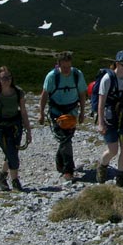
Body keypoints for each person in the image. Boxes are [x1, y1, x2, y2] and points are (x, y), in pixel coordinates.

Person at [38, 51, 87, 181]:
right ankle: (68, 170)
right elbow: (44, 95)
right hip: (56, 112)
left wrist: (82, 112)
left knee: (66, 138)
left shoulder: (77, 74)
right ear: (58, 64)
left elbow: (82, 94)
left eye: (68, 67)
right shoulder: (52, 77)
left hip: (72, 112)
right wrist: (41, 113)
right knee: (65, 139)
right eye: (64, 67)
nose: (67, 70)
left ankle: (60, 162)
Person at [0, 66, 32, 192]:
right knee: (12, 154)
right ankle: (15, 181)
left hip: (15, 126)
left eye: (9, 77)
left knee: (11, 152)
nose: (7, 80)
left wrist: (28, 130)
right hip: (1, 128)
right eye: (4, 78)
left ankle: (2, 176)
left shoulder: (18, 92)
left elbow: (24, 112)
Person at [96, 50, 123, 188]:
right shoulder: (107, 79)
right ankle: (102, 166)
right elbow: (101, 103)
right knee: (113, 150)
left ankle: (120, 177)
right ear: (117, 64)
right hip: (110, 118)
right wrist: (101, 123)